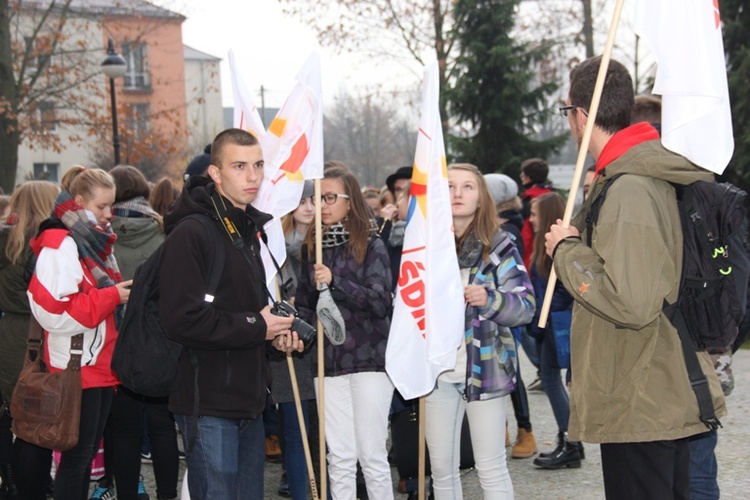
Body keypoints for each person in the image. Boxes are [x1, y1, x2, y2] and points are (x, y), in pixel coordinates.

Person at [545, 56, 726, 500]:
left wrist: (566, 251)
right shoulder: (630, 178)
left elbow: (631, 302)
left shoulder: (630, 188)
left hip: (640, 392)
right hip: (648, 387)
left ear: (581, 114)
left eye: (567, 111)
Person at [158, 128, 302, 499]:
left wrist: (275, 333)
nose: (252, 176)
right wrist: (259, 325)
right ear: (216, 173)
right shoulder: (192, 232)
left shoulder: (248, 229)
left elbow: (246, 312)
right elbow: (180, 319)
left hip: (249, 399)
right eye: (239, 166)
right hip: (206, 402)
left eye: (257, 165)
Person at [425, 163, 534, 499]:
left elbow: (526, 306)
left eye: (467, 186)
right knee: (442, 471)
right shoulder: (425, 246)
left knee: (491, 467)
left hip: (485, 370)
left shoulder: (499, 245)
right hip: (436, 373)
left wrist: (490, 298)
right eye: (450, 186)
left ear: (481, 197)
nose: (457, 194)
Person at [27, 166, 132, 499]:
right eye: (101, 207)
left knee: (83, 458)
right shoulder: (61, 243)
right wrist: (113, 295)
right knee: (76, 460)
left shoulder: (90, 241)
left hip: (96, 362)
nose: (108, 214)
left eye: (111, 206)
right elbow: (53, 312)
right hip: (77, 367)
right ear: (79, 201)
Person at [295, 166, 394, 500]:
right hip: (327, 362)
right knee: (338, 456)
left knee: (372, 455)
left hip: (369, 360)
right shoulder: (311, 247)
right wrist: (293, 331)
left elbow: (380, 302)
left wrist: (337, 283)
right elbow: (305, 305)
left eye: (329, 197)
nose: (321, 205)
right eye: (317, 198)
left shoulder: (372, 243)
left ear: (350, 202)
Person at [95, 165, 178, 500]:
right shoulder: (164, 233)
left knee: (124, 429)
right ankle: (168, 495)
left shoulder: (100, 237)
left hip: (117, 343)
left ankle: (126, 493)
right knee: (162, 427)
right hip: (160, 342)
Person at [0, 181, 59, 500]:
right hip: (38, 338)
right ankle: (33, 488)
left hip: (8, 333)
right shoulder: (46, 247)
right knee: (35, 424)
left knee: (12, 416)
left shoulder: (8, 242)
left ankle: (12, 482)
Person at [526, 192, 583, 470]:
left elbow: (561, 291)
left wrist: (539, 319)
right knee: (550, 379)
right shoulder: (544, 246)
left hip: (556, 323)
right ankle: (570, 440)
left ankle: (571, 442)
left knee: (551, 380)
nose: (531, 219)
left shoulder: (557, 248)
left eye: (535, 214)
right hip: (549, 322)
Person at [484, 172, 538, 459]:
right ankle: (504, 428)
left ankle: (525, 430)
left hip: (506, 311)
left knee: (510, 370)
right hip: (491, 311)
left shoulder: (508, 230)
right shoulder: (503, 224)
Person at [270, 180, 317, 500]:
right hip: (287, 347)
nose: (309, 206)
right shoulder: (271, 248)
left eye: (315, 199)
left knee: (325, 434)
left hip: (328, 350)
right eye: (302, 200)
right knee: (296, 431)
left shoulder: (328, 244)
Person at [519, 158, 554, 270]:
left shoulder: (528, 200)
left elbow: (527, 235)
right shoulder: (553, 197)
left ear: (528, 178)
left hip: (532, 256)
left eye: (523, 176)